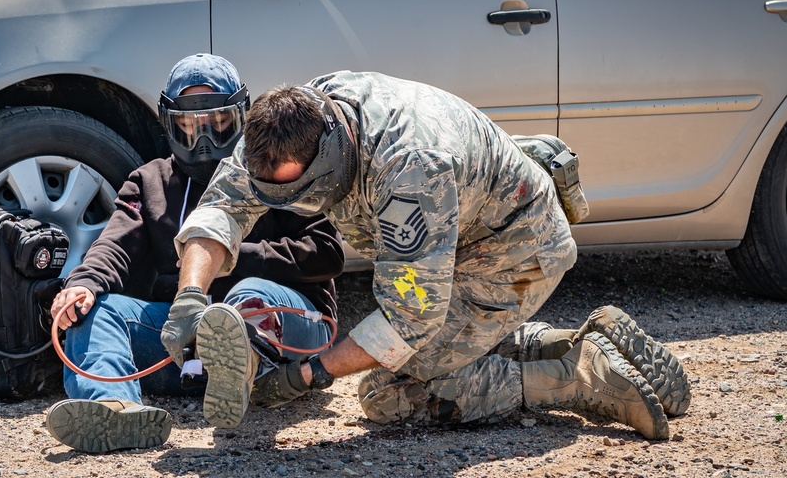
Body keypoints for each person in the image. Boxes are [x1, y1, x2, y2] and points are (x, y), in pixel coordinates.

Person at [164, 70, 690, 440]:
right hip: (457, 238)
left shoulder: (410, 170)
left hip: (513, 249)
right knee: (427, 349)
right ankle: (553, 342)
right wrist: (190, 297)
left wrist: (307, 374)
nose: (293, 208)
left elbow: (408, 318)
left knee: (389, 393)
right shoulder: (284, 126)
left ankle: (579, 373)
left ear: (327, 161)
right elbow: (222, 208)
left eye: (300, 196)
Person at [44, 54, 345, 452]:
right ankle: (114, 409)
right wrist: (82, 285)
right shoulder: (148, 181)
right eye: (189, 125)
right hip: (185, 339)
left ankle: (242, 366)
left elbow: (327, 253)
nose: (204, 139)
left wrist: (227, 259)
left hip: (285, 331)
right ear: (169, 123)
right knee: (95, 309)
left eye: (218, 123)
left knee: (246, 296)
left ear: (240, 117)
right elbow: (113, 245)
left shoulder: (278, 164)